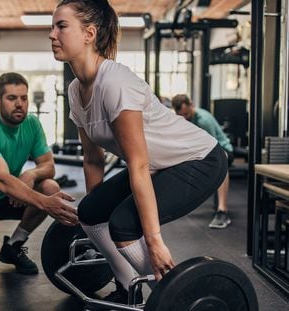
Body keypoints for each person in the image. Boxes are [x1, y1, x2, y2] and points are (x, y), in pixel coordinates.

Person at [49, 0, 227, 304]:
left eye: (61, 26)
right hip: (161, 165)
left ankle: (177, 298)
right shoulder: (76, 92)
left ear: (89, 33)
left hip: (199, 160)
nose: (52, 35)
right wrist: (96, 210)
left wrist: (154, 241)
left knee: (125, 225)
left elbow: (138, 163)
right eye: (52, 27)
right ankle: (128, 289)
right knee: (90, 214)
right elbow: (93, 159)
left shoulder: (115, 81)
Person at [0, 72, 78, 285]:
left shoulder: (32, 125)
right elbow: (1, 179)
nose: (19, 104)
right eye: (12, 98)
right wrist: (46, 204)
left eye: (23, 98)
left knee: (49, 186)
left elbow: (48, 166)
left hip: (9, 197)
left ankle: (13, 245)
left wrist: (30, 173)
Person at [171, 94, 233, 229]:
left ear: (191, 105)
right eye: (181, 115)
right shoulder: (182, 119)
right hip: (201, 150)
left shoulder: (203, 120)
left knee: (222, 161)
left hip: (222, 149)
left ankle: (222, 211)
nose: (184, 118)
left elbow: (214, 147)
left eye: (186, 114)